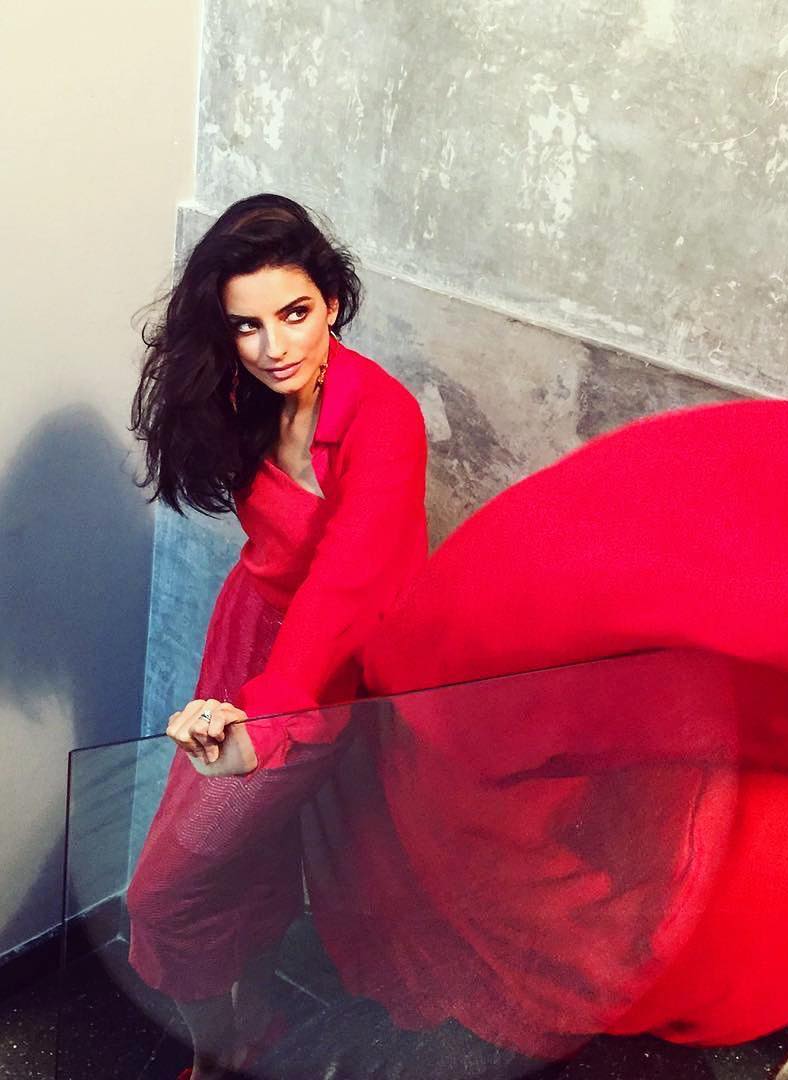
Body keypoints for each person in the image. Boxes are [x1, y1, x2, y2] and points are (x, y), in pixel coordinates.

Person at [125, 193, 428, 1080]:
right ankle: (241, 1038)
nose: (273, 347)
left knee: (162, 894)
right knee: (247, 865)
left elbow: (344, 591)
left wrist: (264, 719)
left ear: (331, 300)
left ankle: (223, 1050)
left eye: (295, 314)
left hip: (322, 674)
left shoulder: (384, 417)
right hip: (245, 633)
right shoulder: (239, 386)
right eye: (246, 325)